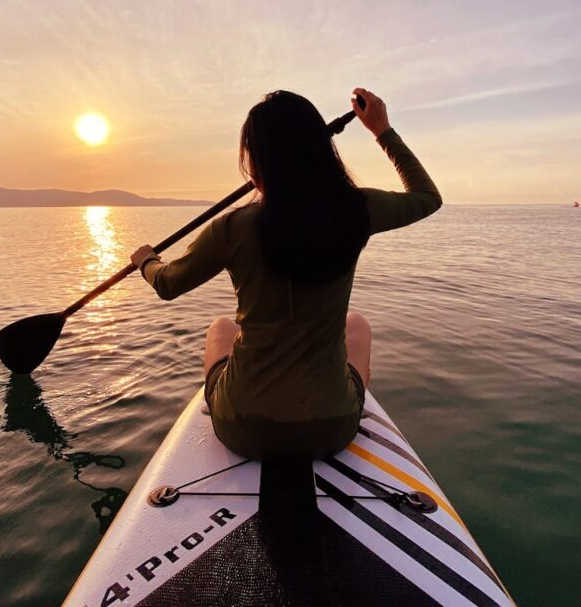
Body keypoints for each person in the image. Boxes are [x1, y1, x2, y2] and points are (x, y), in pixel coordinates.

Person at [129, 88, 441, 460]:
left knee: (221, 327)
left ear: (256, 160)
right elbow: (427, 197)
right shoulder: (359, 209)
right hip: (331, 428)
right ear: (321, 151)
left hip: (241, 427)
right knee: (357, 324)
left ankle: (233, 397)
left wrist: (146, 260)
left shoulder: (231, 227)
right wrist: (382, 131)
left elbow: (168, 284)